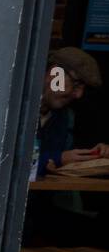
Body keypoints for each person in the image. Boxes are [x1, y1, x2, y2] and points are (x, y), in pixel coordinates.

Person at [36, 46, 107, 176]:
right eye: (76, 84)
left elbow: (64, 160)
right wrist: (58, 158)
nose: (78, 95)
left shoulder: (65, 117)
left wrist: (94, 156)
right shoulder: (12, 112)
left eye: (83, 89)